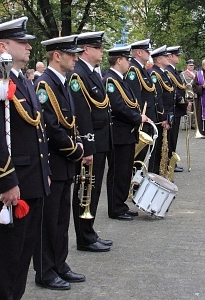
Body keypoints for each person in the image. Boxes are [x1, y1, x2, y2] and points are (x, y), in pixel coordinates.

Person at [0, 16, 50, 299]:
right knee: (5, 261)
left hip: (31, 180)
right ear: (3, 45)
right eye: (22, 42)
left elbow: (34, 130)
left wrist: (44, 171)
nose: (29, 47)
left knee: (21, 258)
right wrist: (6, 182)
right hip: (11, 184)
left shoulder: (23, 81)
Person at [33, 35, 86, 291]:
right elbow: (51, 126)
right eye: (71, 54)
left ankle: (60, 264)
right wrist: (74, 150)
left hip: (65, 163)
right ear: (56, 55)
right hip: (55, 161)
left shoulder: (62, 82)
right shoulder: (45, 84)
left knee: (61, 218)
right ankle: (45, 270)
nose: (75, 58)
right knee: (48, 220)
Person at [69, 31, 113, 252]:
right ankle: (84, 236)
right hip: (91, 142)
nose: (102, 52)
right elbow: (82, 113)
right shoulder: (78, 75)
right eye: (98, 48)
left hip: (100, 140)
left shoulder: (93, 73)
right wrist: (86, 145)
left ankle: (90, 231)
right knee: (86, 188)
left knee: (94, 190)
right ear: (86, 49)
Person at [103, 45, 148, 220]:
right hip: (118, 133)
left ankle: (121, 204)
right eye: (127, 59)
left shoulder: (120, 79)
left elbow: (130, 102)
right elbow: (118, 107)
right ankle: (115, 208)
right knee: (118, 171)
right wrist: (138, 118)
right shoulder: (110, 81)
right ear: (119, 60)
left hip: (127, 133)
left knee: (125, 171)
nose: (129, 62)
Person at [126, 39, 167, 172]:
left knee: (144, 157)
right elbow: (134, 98)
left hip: (148, 117)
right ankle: (135, 187)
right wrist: (139, 116)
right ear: (138, 52)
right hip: (142, 119)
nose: (149, 53)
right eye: (147, 51)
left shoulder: (142, 69)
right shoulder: (133, 70)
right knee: (138, 159)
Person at [149, 46, 176, 175]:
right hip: (161, 117)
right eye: (165, 56)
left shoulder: (163, 72)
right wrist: (163, 117)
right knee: (158, 149)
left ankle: (161, 173)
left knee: (163, 148)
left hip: (168, 113)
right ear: (158, 59)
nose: (168, 58)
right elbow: (158, 98)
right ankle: (154, 175)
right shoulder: (155, 74)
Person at [165, 46, 188, 172]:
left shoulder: (173, 71)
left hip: (177, 109)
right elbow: (174, 91)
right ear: (170, 57)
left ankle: (172, 160)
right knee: (171, 138)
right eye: (176, 55)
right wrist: (184, 103)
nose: (178, 57)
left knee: (174, 138)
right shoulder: (168, 71)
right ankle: (170, 162)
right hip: (174, 108)